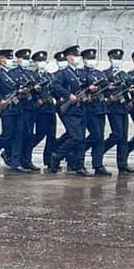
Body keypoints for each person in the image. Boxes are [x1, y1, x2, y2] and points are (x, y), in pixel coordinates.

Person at [0, 49, 29, 173]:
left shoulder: (13, 73)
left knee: (18, 135)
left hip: (17, 108)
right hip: (7, 108)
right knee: (7, 135)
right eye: (8, 58)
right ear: (1, 60)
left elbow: (19, 86)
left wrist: (23, 91)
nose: (10, 61)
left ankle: (16, 163)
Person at [50, 46, 92, 177]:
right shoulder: (63, 73)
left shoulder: (80, 73)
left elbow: (85, 85)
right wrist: (68, 95)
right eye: (75, 56)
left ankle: (79, 165)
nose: (77, 58)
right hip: (69, 110)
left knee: (81, 139)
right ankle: (57, 155)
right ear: (68, 57)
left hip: (81, 108)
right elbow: (55, 86)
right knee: (76, 137)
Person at [102, 48, 134, 174]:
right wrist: (108, 96)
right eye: (115, 58)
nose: (117, 61)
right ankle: (99, 151)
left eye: (119, 59)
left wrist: (129, 100)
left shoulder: (123, 74)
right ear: (110, 59)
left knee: (124, 137)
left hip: (122, 108)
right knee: (117, 134)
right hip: (112, 107)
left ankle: (122, 164)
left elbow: (126, 89)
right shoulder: (105, 74)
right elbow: (103, 89)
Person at [79, 49, 110, 176]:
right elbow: (78, 89)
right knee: (95, 135)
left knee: (100, 137)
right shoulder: (80, 73)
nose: (91, 60)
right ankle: (75, 155)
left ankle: (98, 164)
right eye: (88, 58)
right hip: (89, 108)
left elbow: (106, 89)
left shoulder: (99, 73)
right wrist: (88, 90)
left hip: (100, 107)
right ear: (84, 60)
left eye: (93, 58)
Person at [30, 50, 57, 171]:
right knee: (40, 134)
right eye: (40, 61)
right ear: (35, 62)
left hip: (51, 108)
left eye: (44, 61)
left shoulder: (49, 75)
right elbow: (30, 91)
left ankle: (49, 160)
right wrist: (38, 100)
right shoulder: (33, 76)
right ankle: (25, 153)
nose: (42, 63)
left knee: (51, 136)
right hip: (40, 109)